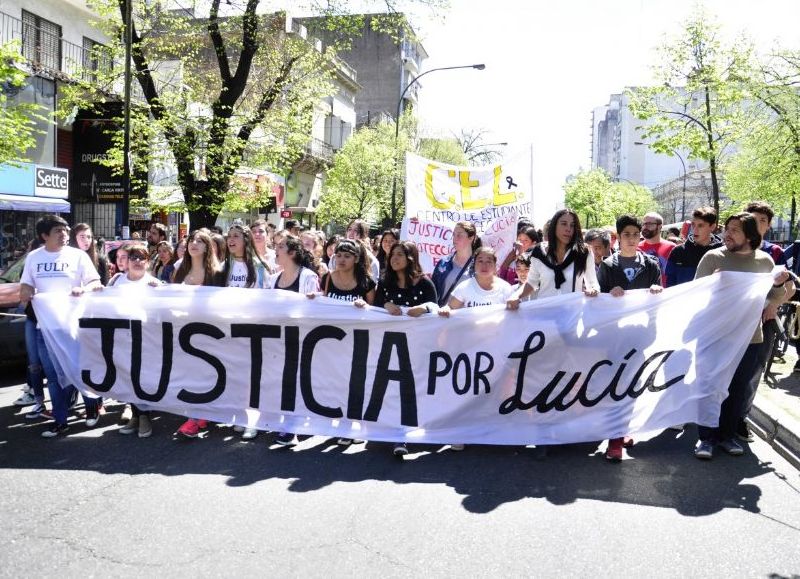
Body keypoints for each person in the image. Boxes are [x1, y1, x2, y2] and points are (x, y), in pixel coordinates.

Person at [693, 213, 793, 460]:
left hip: (750, 338)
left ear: (749, 235)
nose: (727, 234)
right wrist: (713, 286)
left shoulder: (764, 262)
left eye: (734, 230)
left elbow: (772, 298)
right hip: (715, 337)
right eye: (727, 229)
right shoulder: (712, 257)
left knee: (737, 390)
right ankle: (706, 438)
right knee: (711, 388)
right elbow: (694, 296)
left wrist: (779, 284)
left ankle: (727, 436)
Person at [19, 215, 103, 437]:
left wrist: (83, 289)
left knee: (79, 369)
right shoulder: (34, 258)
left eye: (66, 230)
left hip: (73, 327)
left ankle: (92, 406)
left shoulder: (78, 256)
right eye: (58, 230)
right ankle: (60, 420)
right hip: (44, 329)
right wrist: (26, 292)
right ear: (44, 235)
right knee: (54, 376)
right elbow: (26, 286)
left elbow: (95, 283)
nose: (65, 234)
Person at [597, 214, 662, 462]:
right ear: (619, 237)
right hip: (614, 338)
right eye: (627, 235)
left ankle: (623, 430)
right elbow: (598, 306)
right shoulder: (608, 266)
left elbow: (659, 300)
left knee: (633, 385)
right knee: (616, 386)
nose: (632, 239)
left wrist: (657, 291)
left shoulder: (651, 265)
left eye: (636, 234)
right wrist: (607, 294)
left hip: (641, 336)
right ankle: (614, 440)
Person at [438, 247, 515, 451]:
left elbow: (515, 319)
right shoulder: (465, 287)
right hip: (468, 349)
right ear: (474, 264)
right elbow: (450, 309)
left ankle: (489, 431)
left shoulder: (506, 289)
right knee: (466, 390)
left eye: (489, 261)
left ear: (496, 265)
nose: (484, 265)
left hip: (495, 349)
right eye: (480, 260)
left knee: (493, 391)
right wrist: (446, 310)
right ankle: (461, 432)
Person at [308, 239, 376, 446]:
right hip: (332, 342)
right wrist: (316, 297)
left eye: (347, 256)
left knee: (355, 384)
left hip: (357, 342)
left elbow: (377, 312)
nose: (341, 260)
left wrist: (365, 305)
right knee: (336, 383)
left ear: (356, 259)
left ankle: (353, 426)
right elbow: (326, 300)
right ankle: (340, 423)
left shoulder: (366, 282)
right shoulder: (328, 277)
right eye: (338, 255)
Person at [267, 235, 321, 446]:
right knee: (281, 382)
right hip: (278, 339)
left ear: (292, 253)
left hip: (300, 339)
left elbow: (314, 309)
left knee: (296, 382)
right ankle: (285, 422)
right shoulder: (273, 279)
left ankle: (292, 427)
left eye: (280, 247)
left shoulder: (308, 277)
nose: (276, 250)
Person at [106, 243, 163, 438]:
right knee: (127, 377)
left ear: (147, 262)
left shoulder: (153, 283)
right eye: (133, 258)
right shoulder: (116, 281)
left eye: (142, 258)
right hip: (122, 338)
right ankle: (136, 415)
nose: (137, 261)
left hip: (146, 340)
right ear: (127, 262)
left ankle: (145, 415)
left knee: (143, 377)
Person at [173, 230, 225, 438]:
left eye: (199, 241)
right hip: (184, 330)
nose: (193, 244)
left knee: (207, 374)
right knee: (191, 374)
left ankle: (194, 419)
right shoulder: (179, 269)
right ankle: (199, 414)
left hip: (210, 331)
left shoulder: (218, 273)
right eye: (191, 240)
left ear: (207, 247)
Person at [507, 208, 600, 304]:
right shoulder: (539, 252)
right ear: (554, 226)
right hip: (545, 314)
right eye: (564, 224)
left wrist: (593, 290)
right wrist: (516, 295)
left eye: (572, 225)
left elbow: (593, 284)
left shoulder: (583, 252)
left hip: (572, 314)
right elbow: (531, 282)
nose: (568, 229)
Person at [664, 206, 723, 287]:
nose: (695, 230)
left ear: (712, 227)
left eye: (700, 225)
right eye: (693, 225)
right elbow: (669, 283)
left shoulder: (723, 252)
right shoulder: (678, 251)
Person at [431, 221, 480, 307]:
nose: (455, 238)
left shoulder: (479, 265)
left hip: (466, 318)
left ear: (471, 238)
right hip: (442, 316)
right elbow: (432, 292)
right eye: (454, 234)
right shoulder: (443, 263)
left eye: (459, 235)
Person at [638, 212, 675, 288]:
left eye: (649, 224)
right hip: (642, 294)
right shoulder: (636, 248)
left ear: (660, 226)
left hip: (665, 294)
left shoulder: (672, 248)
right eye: (644, 224)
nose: (645, 227)